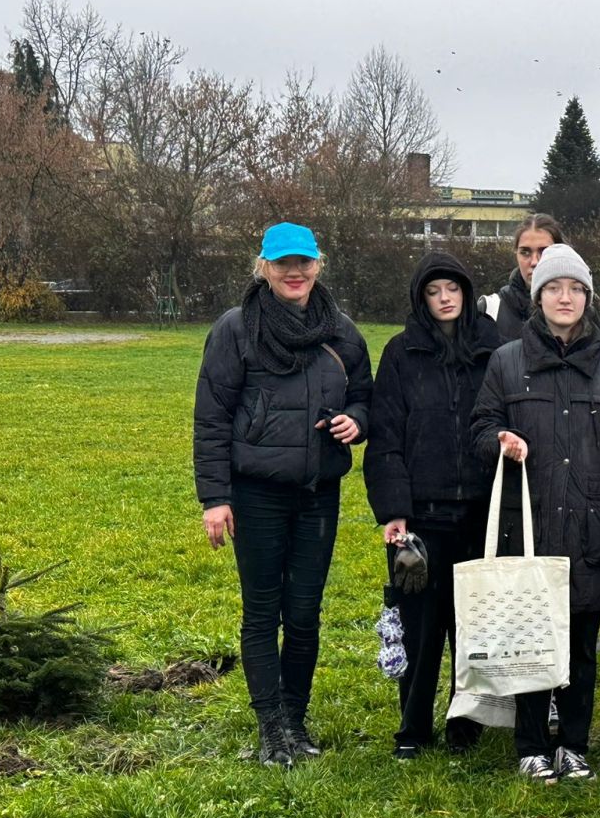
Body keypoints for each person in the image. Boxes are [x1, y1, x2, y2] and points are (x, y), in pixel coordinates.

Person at [470, 244, 600, 783]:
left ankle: (573, 743)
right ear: (538, 298)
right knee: (529, 636)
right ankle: (530, 743)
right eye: (553, 288)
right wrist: (498, 440)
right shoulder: (507, 362)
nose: (564, 297)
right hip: (529, 524)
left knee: (579, 643)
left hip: (596, 528)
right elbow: (481, 426)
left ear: (589, 298)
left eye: (574, 288)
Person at [193, 222, 372, 767]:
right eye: (282, 263)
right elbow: (212, 417)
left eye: (303, 262)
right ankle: (271, 727)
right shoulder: (236, 329)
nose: (294, 273)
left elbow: (367, 396)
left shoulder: (342, 332)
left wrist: (357, 422)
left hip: (318, 492)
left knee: (304, 613)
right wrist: (215, 498)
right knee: (261, 611)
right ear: (264, 268)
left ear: (318, 263)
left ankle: (295, 720)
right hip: (256, 494)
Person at [364, 250, 503, 759]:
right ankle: (413, 728)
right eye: (432, 291)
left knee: (473, 625)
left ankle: (466, 722)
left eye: (452, 289)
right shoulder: (402, 352)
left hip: (482, 513)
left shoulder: (495, 348)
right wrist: (393, 508)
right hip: (420, 517)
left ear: (467, 293)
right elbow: (385, 437)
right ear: (421, 299)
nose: (444, 299)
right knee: (419, 628)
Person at [480, 213, 563, 341]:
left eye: (544, 251)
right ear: (516, 254)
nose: (534, 261)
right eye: (525, 252)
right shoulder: (490, 310)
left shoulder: (578, 310)